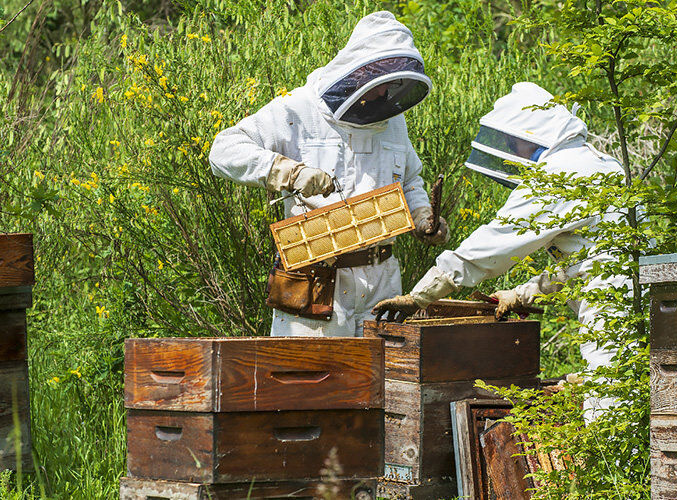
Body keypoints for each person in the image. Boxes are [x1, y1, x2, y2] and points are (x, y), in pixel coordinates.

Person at [372, 82, 626, 415]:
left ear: (529, 134)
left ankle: (616, 467)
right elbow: (591, 260)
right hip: (633, 297)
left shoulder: (558, 177)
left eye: (512, 142)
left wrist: (421, 295)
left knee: (609, 402)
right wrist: (524, 293)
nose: (513, 151)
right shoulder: (600, 163)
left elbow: (491, 246)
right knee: (625, 388)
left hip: (610, 309)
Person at [209, 11, 448, 337]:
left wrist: (422, 214)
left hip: (382, 280)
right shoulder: (297, 109)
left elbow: (409, 180)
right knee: (311, 381)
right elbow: (223, 150)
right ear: (357, 69)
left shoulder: (393, 122)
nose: (382, 94)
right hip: (316, 277)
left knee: (380, 383)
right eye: (377, 83)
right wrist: (288, 172)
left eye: (390, 85)